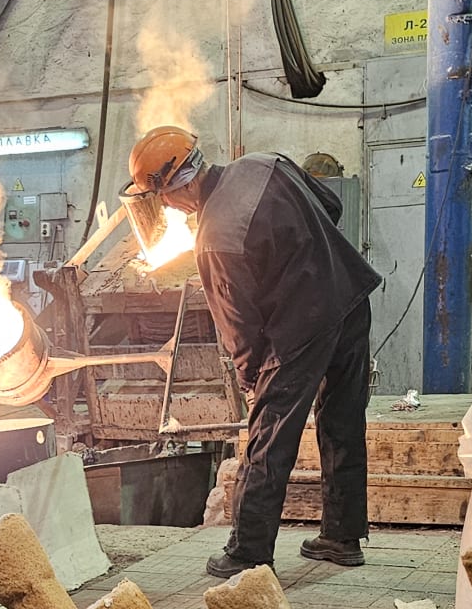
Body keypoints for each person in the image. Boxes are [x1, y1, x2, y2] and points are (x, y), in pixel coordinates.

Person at [124, 126, 381, 578]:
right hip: (349, 297)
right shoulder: (264, 162)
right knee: (342, 421)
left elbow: (239, 330)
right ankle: (342, 538)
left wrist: (250, 384)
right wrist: (304, 259)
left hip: (301, 326)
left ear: (177, 187)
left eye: (162, 198)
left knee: (269, 438)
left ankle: (248, 551)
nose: (166, 207)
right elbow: (331, 206)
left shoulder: (216, 237)